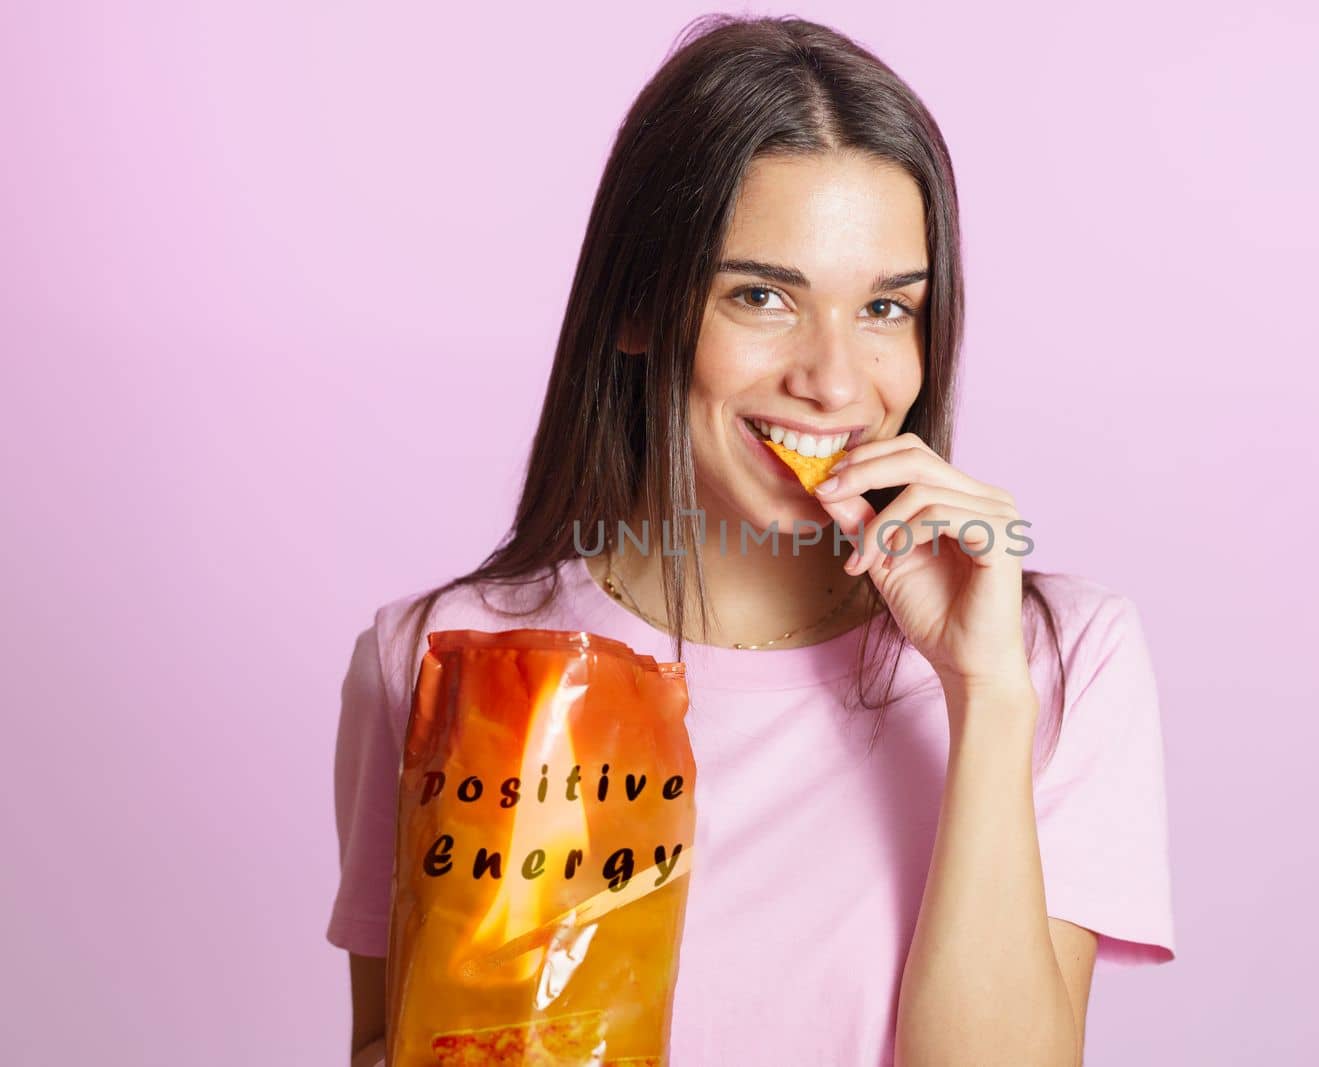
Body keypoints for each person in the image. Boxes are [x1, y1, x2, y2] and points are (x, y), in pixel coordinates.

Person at [326, 14, 1176, 1066]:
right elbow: (394, 1041)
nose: (830, 379)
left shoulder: (1058, 654)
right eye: (762, 295)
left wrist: (985, 694)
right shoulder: (437, 658)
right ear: (639, 305)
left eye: (883, 307)